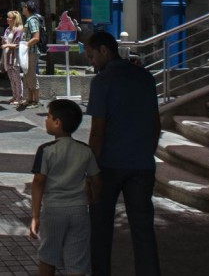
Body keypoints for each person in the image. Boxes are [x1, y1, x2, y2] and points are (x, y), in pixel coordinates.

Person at [86, 31, 162, 276]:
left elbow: (97, 130)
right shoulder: (145, 77)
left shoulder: (102, 82)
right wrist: (146, 153)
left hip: (108, 164)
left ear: (104, 51)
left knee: (100, 228)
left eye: (91, 56)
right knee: (143, 230)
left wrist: (90, 168)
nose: (91, 62)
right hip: (141, 163)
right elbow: (155, 123)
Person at [29, 99, 101, 276]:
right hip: (79, 210)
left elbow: (38, 181)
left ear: (57, 123)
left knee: (48, 256)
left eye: (48, 116)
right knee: (77, 260)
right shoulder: (85, 150)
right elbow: (96, 179)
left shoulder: (46, 150)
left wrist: (35, 215)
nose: (45, 120)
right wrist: (93, 198)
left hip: (53, 209)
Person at [19, 0, 46, 110]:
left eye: (24, 7)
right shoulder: (29, 20)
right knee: (26, 74)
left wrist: (25, 46)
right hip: (28, 52)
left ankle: (36, 101)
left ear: (27, 8)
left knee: (31, 75)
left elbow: (36, 37)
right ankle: (29, 99)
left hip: (32, 52)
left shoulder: (32, 20)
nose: (22, 9)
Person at [2, 10, 25, 106]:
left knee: (17, 78)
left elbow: (17, 44)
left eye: (9, 17)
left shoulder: (18, 30)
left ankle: (20, 98)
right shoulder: (7, 29)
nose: (7, 19)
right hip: (7, 56)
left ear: (15, 19)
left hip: (15, 57)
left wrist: (7, 45)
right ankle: (14, 96)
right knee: (11, 78)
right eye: (7, 17)